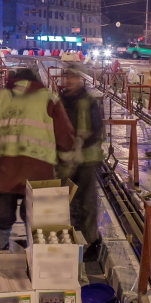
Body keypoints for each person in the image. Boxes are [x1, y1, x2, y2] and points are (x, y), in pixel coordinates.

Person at [0, 68, 75, 251]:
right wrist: (64, 157)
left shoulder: (0, 97)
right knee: (35, 216)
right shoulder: (48, 98)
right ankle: (35, 257)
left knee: (4, 214)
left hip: (3, 168)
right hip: (38, 166)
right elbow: (65, 133)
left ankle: (2, 253)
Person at [58, 64, 104, 260]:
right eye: (65, 77)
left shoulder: (89, 101)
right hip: (65, 160)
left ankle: (91, 241)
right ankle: (67, 240)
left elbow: (97, 130)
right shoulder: (59, 101)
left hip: (87, 159)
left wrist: (79, 144)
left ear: (80, 79)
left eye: (72, 77)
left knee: (87, 202)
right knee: (64, 201)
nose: (68, 81)